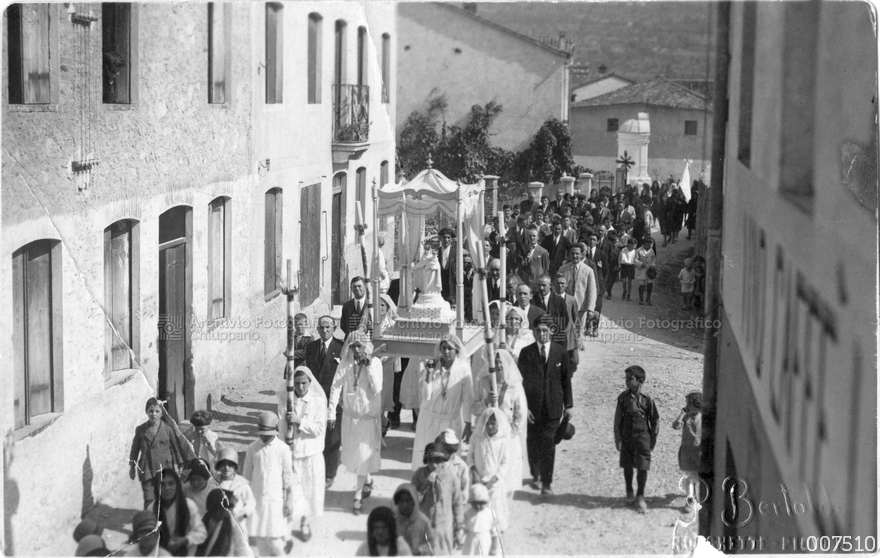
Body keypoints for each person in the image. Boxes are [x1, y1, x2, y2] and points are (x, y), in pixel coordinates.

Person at [328, 331, 384, 515]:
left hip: (367, 419)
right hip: (350, 418)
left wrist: (368, 368)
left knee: (362, 456)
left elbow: (376, 388)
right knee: (356, 456)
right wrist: (331, 413)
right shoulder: (345, 364)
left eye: (360, 346)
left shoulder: (375, 363)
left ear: (366, 347)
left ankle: (358, 497)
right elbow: (335, 386)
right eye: (353, 346)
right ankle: (367, 481)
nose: (356, 350)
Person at [518, 322, 573, 496]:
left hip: (553, 406)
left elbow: (566, 380)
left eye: (545, 330)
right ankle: (535, 473)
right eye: (538, 331)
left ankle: (547, 482)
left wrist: (569, 405)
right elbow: (520, 383)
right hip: (532, 407)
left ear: (551, 331)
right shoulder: (526, 353)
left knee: (549, 444)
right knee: (533, 441)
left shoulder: (560, 352)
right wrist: (523, 407)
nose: (542, 334)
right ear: (534, 332)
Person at [411, 335, 474, 470]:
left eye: (450, 348)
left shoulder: (463, 369)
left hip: (451, 422)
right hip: (429, 420)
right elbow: (426, 396)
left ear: (456, 350)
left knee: (448, 463)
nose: (446, 352)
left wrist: (468, 424)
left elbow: (468, 399)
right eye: (443, 348)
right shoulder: (432, 366)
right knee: (428, 461)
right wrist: (428, 374)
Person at [278, 365, 326, 540]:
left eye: (304, 383)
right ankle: (287, 526)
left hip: (310, 454)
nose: (301, 387)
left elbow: (319, 429)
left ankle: (305, 523)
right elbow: (282, 430)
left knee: (308, 491)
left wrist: (299, 422)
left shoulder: (318, 402)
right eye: (297, 384)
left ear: (310, 382)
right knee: (291, 492)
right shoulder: (285, 402)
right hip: (292, 454)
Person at [242, 411, 294, 556]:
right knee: (260, 541)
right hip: (257, 501)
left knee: (275, 542)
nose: (264, 436)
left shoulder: (283, 448)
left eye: (268, 433)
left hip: (275, 501)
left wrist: (289, 500)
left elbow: (288, 476)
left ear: (276, 430)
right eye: (262, 433)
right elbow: (246, 477)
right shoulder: (252, 448)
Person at [129, 397, 197, 509]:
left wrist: (180, 463)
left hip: (165, 468)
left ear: (162, 413)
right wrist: (132, 465)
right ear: (146, 412)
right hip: (147, 468)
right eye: (151, 411)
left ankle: (166, 521)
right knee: (149, 499)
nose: (153, 414)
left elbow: (176, 447)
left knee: (166, 497)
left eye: (157, 411)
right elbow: (135, 449)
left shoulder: (168, 429)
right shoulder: (141, 430)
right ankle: (151, 524)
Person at [303, 316, 344, 489]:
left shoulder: (341, 347)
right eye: (322, 327)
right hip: (315, 398)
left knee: (332, 437)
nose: (325, 330)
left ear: (334, 328)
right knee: (315, 435)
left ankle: (330, 474)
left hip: (334, 399)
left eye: (328, 327)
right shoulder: (311, 347)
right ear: (317, 329)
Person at [614, 365, 660, 514]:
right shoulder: (623, 398)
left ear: (640, 381)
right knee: (627, 463)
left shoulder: (647, 399)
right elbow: (618, 420)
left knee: (642, 465)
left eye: (630, 379)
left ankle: (640, 495)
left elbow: (655, 420)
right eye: (626, 379)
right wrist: (618, 438)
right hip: (627, 435)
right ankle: (629, 491)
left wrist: (652, 439)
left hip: (642, 437)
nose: (627, 382)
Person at [468, 407, 510, 553]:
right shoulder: (477, 437)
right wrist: (473, 471)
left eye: (494, 423)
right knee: (478, 514)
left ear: (499, 424)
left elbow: (505, 464)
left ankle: (496, 543)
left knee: (495, 513)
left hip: (494, 483)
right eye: (488, 423)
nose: (490, 426)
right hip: (478, 481)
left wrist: (493, 479)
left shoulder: (503, 440)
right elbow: (470, 456)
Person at [411, 443, 465, 554]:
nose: (434, 465)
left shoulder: (451, 476)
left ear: (443, 461)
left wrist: (459, 526)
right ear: (426, 460)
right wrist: (426, 484)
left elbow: (457, 502)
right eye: (430, 461)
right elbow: (412, 501)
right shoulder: (419, 474)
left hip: (444, 529)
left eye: (437, 461)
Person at [153, 468, 208, 556]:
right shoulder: (152, 508)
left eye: (171, 483)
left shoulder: (188, 506)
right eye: (162, 484)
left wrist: (185, 540)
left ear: (177, 485)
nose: (167, 488)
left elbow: (201, 533)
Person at [214, 447, 256, 543]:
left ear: (235, 466)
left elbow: (251, 502)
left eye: (230, 465)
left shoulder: (241, 484)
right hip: (219, 523)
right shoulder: (214, 482)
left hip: (238, 522)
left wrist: (243, 513)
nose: (226, 468)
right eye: (223, 464)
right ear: (219, 466)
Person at [558, 244, 597, 346]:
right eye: (572, 253)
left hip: (581, 305)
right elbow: (557, 287)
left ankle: (577, 348)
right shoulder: (563, 269)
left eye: (577, 254)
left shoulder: (588, 270)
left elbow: (592, 290)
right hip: (566, 304)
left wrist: (590, 309)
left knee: (579, 328)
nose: (575, 256)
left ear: (582, 255)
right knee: (566, 327)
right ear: (569, 255)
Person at [195, 489, 251, 556]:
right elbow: (194, 544)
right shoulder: (204, 519)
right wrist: (208, 532)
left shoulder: (234, 524)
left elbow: (243, 549)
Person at [672, 391, 703, 512]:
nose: (687, 406)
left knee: (700, 476)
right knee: (690, 476)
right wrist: (681, 414)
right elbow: (676, 426)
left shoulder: (703, 417)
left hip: (700, 451)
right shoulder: (686, 417)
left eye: (688, 404)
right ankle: (690, 502)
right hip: (687, 450)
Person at [378, 294, 402, 433]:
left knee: (383, 395)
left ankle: (381, 425)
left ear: (387, 308)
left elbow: (394, 346)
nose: (380, 308)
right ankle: (383, 422)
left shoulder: (392, 325)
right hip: (373, 364)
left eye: (383, 305)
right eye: (378, 305)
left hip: (387, 364)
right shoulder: (370, 323)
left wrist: (381, 358)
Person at [392, 483, 434, 556]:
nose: (405, 504)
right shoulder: (392, 518)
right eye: (402, 501)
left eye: (409, 500)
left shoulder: (423, 521)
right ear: (397, 502)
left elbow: (432, 542)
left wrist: (421, 550)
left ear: (415, 501)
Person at [462, 484, 496, 556]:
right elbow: (464, 527)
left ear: (486, 502)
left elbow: (494, 533)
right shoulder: (468, 513)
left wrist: (494, 548)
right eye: (475, 503)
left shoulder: (490, 513)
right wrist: (459, 536)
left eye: (481, 503)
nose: (478, 506)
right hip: (470, 539)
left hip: (484, 539)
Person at [435, 429, 469, 503]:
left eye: (443, 450)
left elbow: (465, 490)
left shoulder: (461, 466)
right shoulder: (434, 462)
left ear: (450, 449)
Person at [516, 226, 550, 291]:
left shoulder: (543, 252)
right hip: (526, 283)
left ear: (538, 237)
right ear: (528, 237)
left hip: (538, 284)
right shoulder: (524, 250)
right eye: (530, 236)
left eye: (534, 236)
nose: (532, 238)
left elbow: (546, 269)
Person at [634, 237, 657, 306]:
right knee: (642, 285)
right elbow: (635, 260)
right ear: (645, 244)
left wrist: (653, 265)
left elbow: (654, 259)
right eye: (650, 244)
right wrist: (640, 264)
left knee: (650, 284)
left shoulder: (651, 250)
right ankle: (641, 299)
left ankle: (648, 298)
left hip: (650, 270)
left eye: (652, 245)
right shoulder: (638, 250)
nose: (651, 246)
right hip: (642, 270)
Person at [437, 228, 457, 305]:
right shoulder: (436, 252)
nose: (446, 239)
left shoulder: (456, 252)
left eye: (448, 237)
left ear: (451, 239)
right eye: (444, 237)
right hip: (440, 285)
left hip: (452, 286)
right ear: (440, 239)